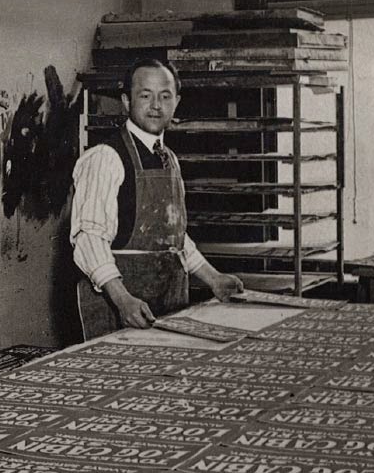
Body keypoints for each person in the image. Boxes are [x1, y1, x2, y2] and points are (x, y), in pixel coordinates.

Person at [70, 58, 244, 340]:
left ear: (177, 102)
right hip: (121, 308)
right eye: (145, 95)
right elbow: (89, 238)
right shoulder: (105, 158)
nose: (156, 105)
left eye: (165, 96)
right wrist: (122, 299)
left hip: (169, 302)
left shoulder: (169, 159)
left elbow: (173, 236)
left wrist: (213, 278)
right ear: (126, 101)